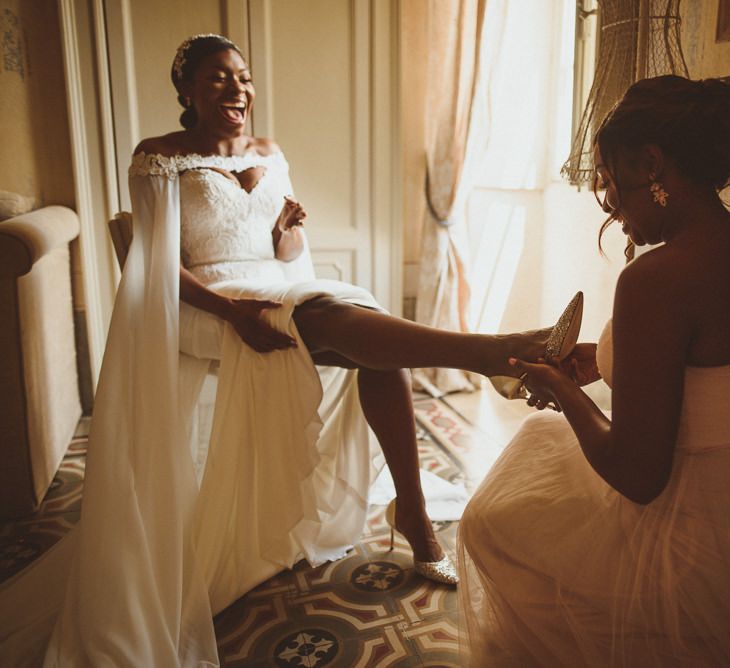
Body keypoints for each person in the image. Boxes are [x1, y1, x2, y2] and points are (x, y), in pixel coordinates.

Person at [0, 34, 581, 666]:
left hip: (275, 289)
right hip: (205, 305)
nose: (238, 89)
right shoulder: (158, 157)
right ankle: (498, 354)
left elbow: (287, 259)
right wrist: (233, 311)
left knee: (358, 324)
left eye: (243, 78)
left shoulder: (270, 153)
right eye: (219, 78)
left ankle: (413, 513)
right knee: (337, 317)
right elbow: (155, 267)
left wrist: (283, 233)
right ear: (188, 91)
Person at [458, 75, 730, 666]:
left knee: (491, 521)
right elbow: (705, 375)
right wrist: (609, 366)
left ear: (652, 164)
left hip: (692, 534)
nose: (608, 205)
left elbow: (637, 474)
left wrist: (557, 385)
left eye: (609, 182)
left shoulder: (656, 280)